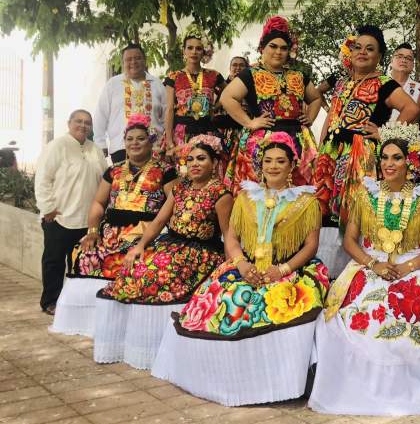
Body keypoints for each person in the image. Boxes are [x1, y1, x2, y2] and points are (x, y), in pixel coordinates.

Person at [310, 122, 420, 415]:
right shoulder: (364, 195)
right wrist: (373, 264)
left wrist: (408, 267)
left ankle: (416, 379)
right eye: (385, 157)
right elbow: (350, 243)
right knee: (362, 309)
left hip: (417, 264)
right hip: (371, 263)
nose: (389, 164)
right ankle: (366, 384)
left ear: (409, 162)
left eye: (397, 158)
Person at [152, 132, 329, 405]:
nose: (273, 166)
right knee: (217, 305)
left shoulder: (306, 202)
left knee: (280, 306)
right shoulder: (246, 197)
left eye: (280, 161)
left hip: (288, 269)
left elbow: (310, 246)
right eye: (268, 161)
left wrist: (281, 271)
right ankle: (224, 378)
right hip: (246, 267)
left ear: (292, 165)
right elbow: (231, 238)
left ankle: (273, 383)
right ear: (260, 165)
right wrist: (242, 265)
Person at [92, 136, 231, 369]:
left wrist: (229, 266)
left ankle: (154, 350)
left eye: (202, 159)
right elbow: (158, 222)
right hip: (170, 245)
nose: (195, 164)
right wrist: (140, 246)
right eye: (191, 159)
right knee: (131, 271)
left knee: (154, 277)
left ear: (215, 162)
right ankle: (129, 346)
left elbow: (228, 233)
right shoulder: (179, 189)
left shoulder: (222, 194)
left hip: (200, 253)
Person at [51, 115, 176, 337]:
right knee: (83, 254)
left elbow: (173, 204)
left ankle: (131, 328)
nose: (135, 143)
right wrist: (92, 231)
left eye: (140, 139)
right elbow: (99, 203)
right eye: (130, 139)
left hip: (147, 233)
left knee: (138, 262)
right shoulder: (114, 171)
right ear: (124, 143)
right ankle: (91, 323)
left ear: (150, 142)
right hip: (112, 233)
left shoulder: (165, 170)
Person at [314, 25, 420, 276]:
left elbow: (412, 109)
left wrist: (385, 134)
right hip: (332, 153)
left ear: (379, 57)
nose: (362, 52)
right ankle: (326, 271)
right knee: (326, 211)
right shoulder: (342, 82)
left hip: (359, 157)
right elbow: (331, 115)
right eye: (358, 47)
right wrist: (321, 151)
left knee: (354, 211)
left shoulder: (383, 83)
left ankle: (356, 273)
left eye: (369, 49)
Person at [220, 17, 321, 193]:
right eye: (273, 46)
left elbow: (316, 98)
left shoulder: (298, 75)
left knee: (297, 193)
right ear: (262, 48)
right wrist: (250, 122)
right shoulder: (250, 74)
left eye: (283, 48)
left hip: (297, 140)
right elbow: (227, 97)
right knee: (258, 193)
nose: (278, 52)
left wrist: (310, 118)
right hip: (262, 142)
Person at [35, 110, 106, 315]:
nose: (83, 126)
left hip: (87, 220)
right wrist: (47, 208)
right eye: (78, 121)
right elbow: (42, 179)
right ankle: (50, 301)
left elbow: (105, 181)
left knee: (80, 265)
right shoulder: (57, 146)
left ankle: (76, 304)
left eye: (87, 123)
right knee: (53, 263)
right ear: (69, 123)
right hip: (59, 217)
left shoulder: (95, 150)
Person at [94, 44, 166, 163]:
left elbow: (166, 117)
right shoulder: (113, 84)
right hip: (121, 148)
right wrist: (100, 144)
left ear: (144, 60)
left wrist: (165, 143)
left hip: (153, 148)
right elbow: (101, 115)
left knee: (153, 180)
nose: (133, 62)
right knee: (122, 181)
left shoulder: (157, 84)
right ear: (123, 63)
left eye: (137, 58)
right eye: (128, 59)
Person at [163, 34, 225, 156]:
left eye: (198, 48)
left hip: (207, 131)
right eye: (190, 48)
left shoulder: (213, 75)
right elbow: (169, 109)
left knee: (208, 169)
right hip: (182, 132)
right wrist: (169, 141)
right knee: (183, 169)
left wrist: (215, 107)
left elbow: (229, 92)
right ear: (184, 51)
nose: (194, 52)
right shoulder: (173, 77)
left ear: (204, 52)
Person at [388, 42, 420, 120]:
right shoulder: (378, 84)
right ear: (391, 60)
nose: (404, 60)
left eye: (408, 58)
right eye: (400, 56)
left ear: (413, 65)